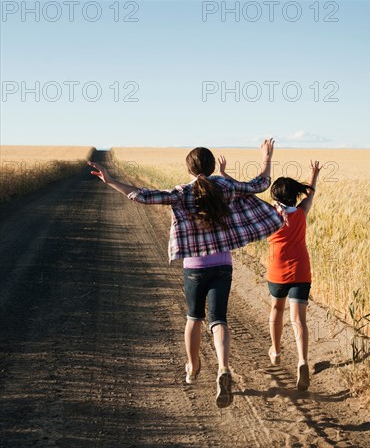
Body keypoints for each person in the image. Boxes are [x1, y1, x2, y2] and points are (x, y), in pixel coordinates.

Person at [87, 139, 283, 408]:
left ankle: (192, 367)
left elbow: (143, 196)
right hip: (223, 264)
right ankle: (223, 367)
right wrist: (266, 157)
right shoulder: (225, 186)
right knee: (219, 320)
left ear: (189, 169)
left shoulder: (182, 192)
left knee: (194, 318)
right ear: (213, 166)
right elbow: (260, 184)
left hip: (194, 268)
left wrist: (110, 180)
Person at [266, 160, 321, 391]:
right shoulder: (300, 212)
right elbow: (310, 195)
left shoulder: (270, 216)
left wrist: (224, 174)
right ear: (293, 197)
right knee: (299, 319)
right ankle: (302, 361)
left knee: (277, 310)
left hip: (276, 271)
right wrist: (313, 174)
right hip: (301, 270)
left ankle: (276, 352)